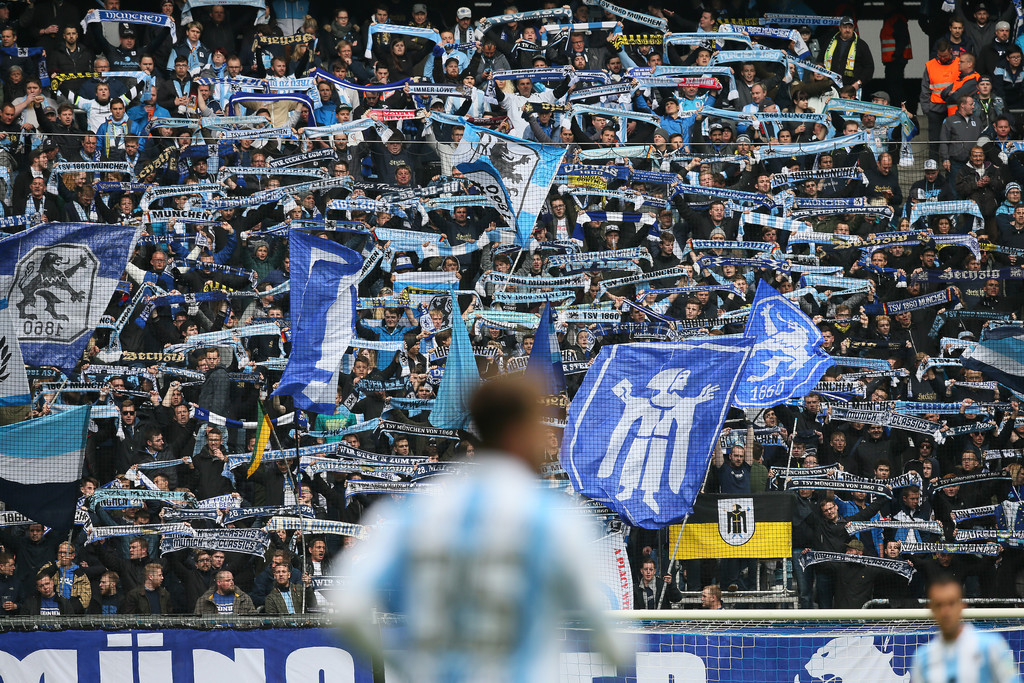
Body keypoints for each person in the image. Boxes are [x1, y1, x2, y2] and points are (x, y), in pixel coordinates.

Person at [334, 377, 627, 682]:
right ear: (518, 432)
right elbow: (610, 642)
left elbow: (349, 603)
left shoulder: (418, 513)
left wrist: (402, 665)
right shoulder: (551, 521)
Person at [910, 575, 1018, 683]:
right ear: (930, 609)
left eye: (951, 603)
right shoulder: (922, 658)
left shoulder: (992, 646)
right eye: (939, 605)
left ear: (963, 606)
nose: (945, 612)